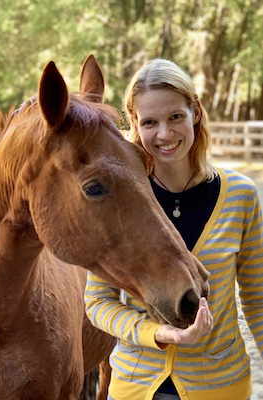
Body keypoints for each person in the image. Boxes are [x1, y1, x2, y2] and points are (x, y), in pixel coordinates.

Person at [84, 59, 263, 400]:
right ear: (134, 122)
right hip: (134, 388)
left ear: (195, 111)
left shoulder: (240, 195)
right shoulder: (118, 201)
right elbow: (97, 302)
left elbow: (258, 298)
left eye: (175, 117)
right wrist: (156, 333)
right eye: (150, 122)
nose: (164, 134)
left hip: (220, 388)